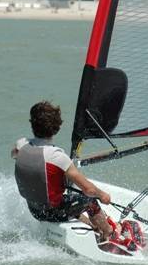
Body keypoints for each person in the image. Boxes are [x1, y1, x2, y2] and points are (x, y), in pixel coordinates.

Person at [12, 101, 114, 241]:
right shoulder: (57, 156)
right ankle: (108, 232)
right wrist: (103, 195)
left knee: (66, 196)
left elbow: (15, 155)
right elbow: (88, 189)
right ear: (57, 128)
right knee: (91, 202)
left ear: (32, 124)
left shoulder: (20, 145)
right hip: (52, 212)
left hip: (34, 208)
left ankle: (93, 227)